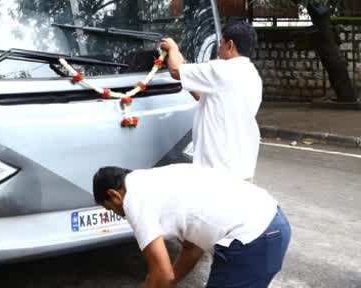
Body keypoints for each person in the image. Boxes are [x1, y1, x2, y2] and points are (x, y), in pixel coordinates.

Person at [93, 164, 291, 288]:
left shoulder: (134, 200)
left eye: (111, 209)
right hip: (274, 224)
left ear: (114, 195)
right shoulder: (155, 179)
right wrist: (166, 283)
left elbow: (162, 272)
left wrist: (159, 282)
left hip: (252, 239)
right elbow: (191, 251)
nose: (118, 215)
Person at [160, 21, 262, 181]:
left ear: (230, 44)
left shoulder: (221, 69)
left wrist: (173, 48)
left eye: (221, 42)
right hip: (241, 166)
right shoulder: (251, 74)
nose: (218, 46)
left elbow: (174, 70)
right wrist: (189, 78)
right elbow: (205, 97)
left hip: (218, 168)